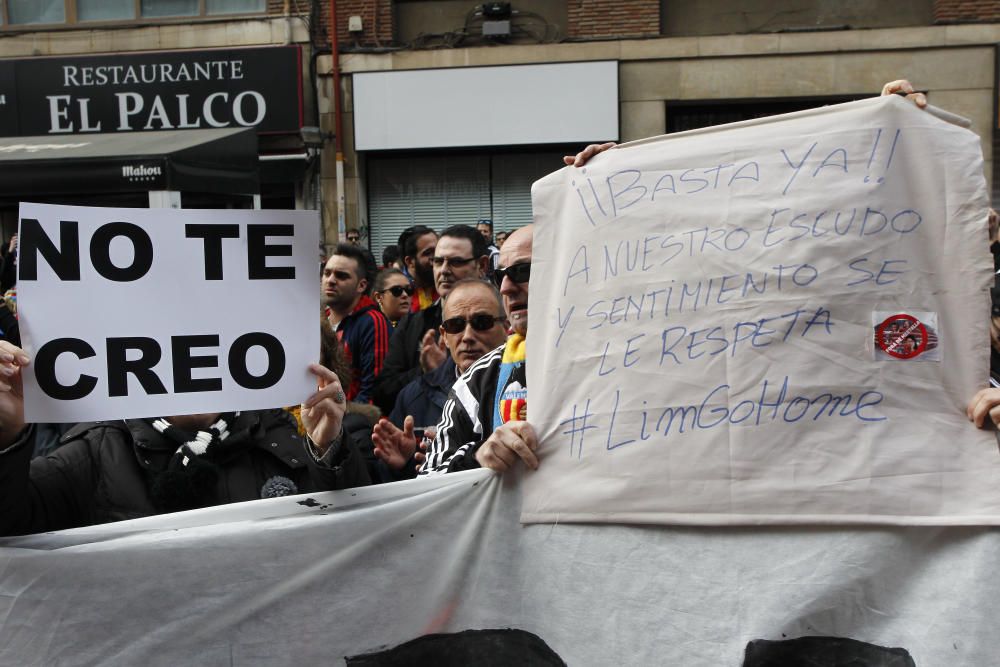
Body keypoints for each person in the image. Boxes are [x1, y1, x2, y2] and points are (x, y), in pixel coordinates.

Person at [0, 341, 370, 537]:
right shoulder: (99, 450)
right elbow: (11, 523)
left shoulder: (280, 438)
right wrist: (7, 435)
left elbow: (354, 537)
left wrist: (329, 452)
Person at [422, 224, 538, 474]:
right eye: (500, 276)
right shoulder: (476, 380)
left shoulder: (607, 358)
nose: (506, 287)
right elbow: (427, 480)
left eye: (521, 271)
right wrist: (478, 457)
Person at [373, 279, 508, 479]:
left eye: (482, 323)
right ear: (444, 336)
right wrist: (406, 464)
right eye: (456, 325)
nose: (468, 336)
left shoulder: (527, 385)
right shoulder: (413, 398)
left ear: (506, 327)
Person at [373, 225, 489, 415]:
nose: (443, 270)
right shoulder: (412, 324)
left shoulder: (502, 322)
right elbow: (383, 394)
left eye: (456, 262)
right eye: (437, 261)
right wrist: (426, 372)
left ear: (482, 266)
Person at [322, 243, 391, 404]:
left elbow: (373, 391)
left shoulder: (372, 321)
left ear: (361, 285)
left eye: (341, 276)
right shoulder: (318, 320)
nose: (331, 280)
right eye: (327, 273)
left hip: (353, 422)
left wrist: (343, 420)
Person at [400, 225, 438, 313]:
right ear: (410, 262)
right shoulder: (396, 292)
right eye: (428, 253)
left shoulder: (448, 284)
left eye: (437, 251)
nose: (437, 258)